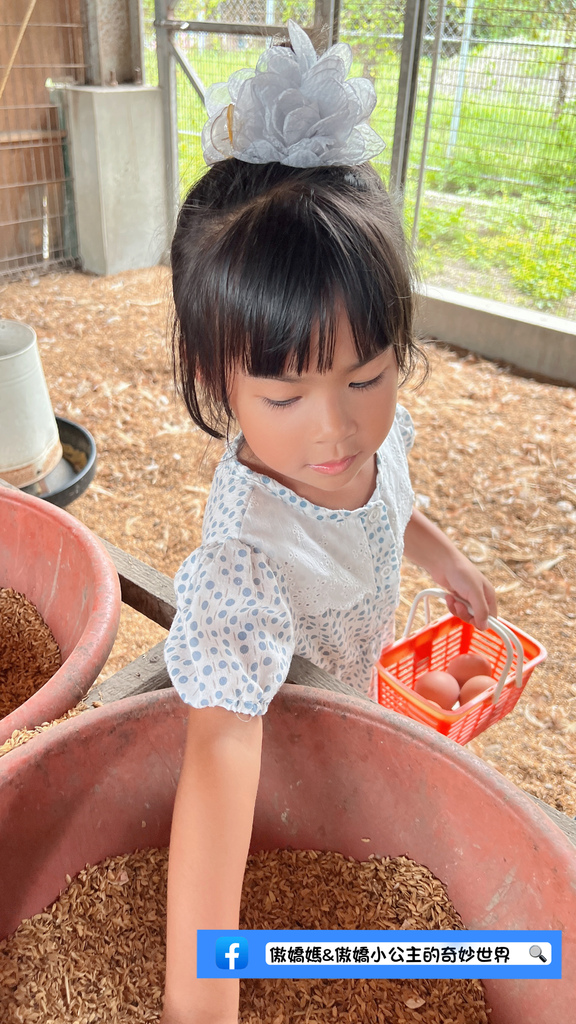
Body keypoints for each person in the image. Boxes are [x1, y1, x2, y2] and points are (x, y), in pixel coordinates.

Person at [160, 22, 497, 1024]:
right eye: (285, 395)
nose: (338, 429)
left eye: (367, 375)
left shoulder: (370, 435)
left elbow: (390, 493)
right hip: (281, 744)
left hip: (358, 687)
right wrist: (200, 994)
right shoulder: (244, 560)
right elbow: (220, 762)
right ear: (214, 380)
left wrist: (446, 557)